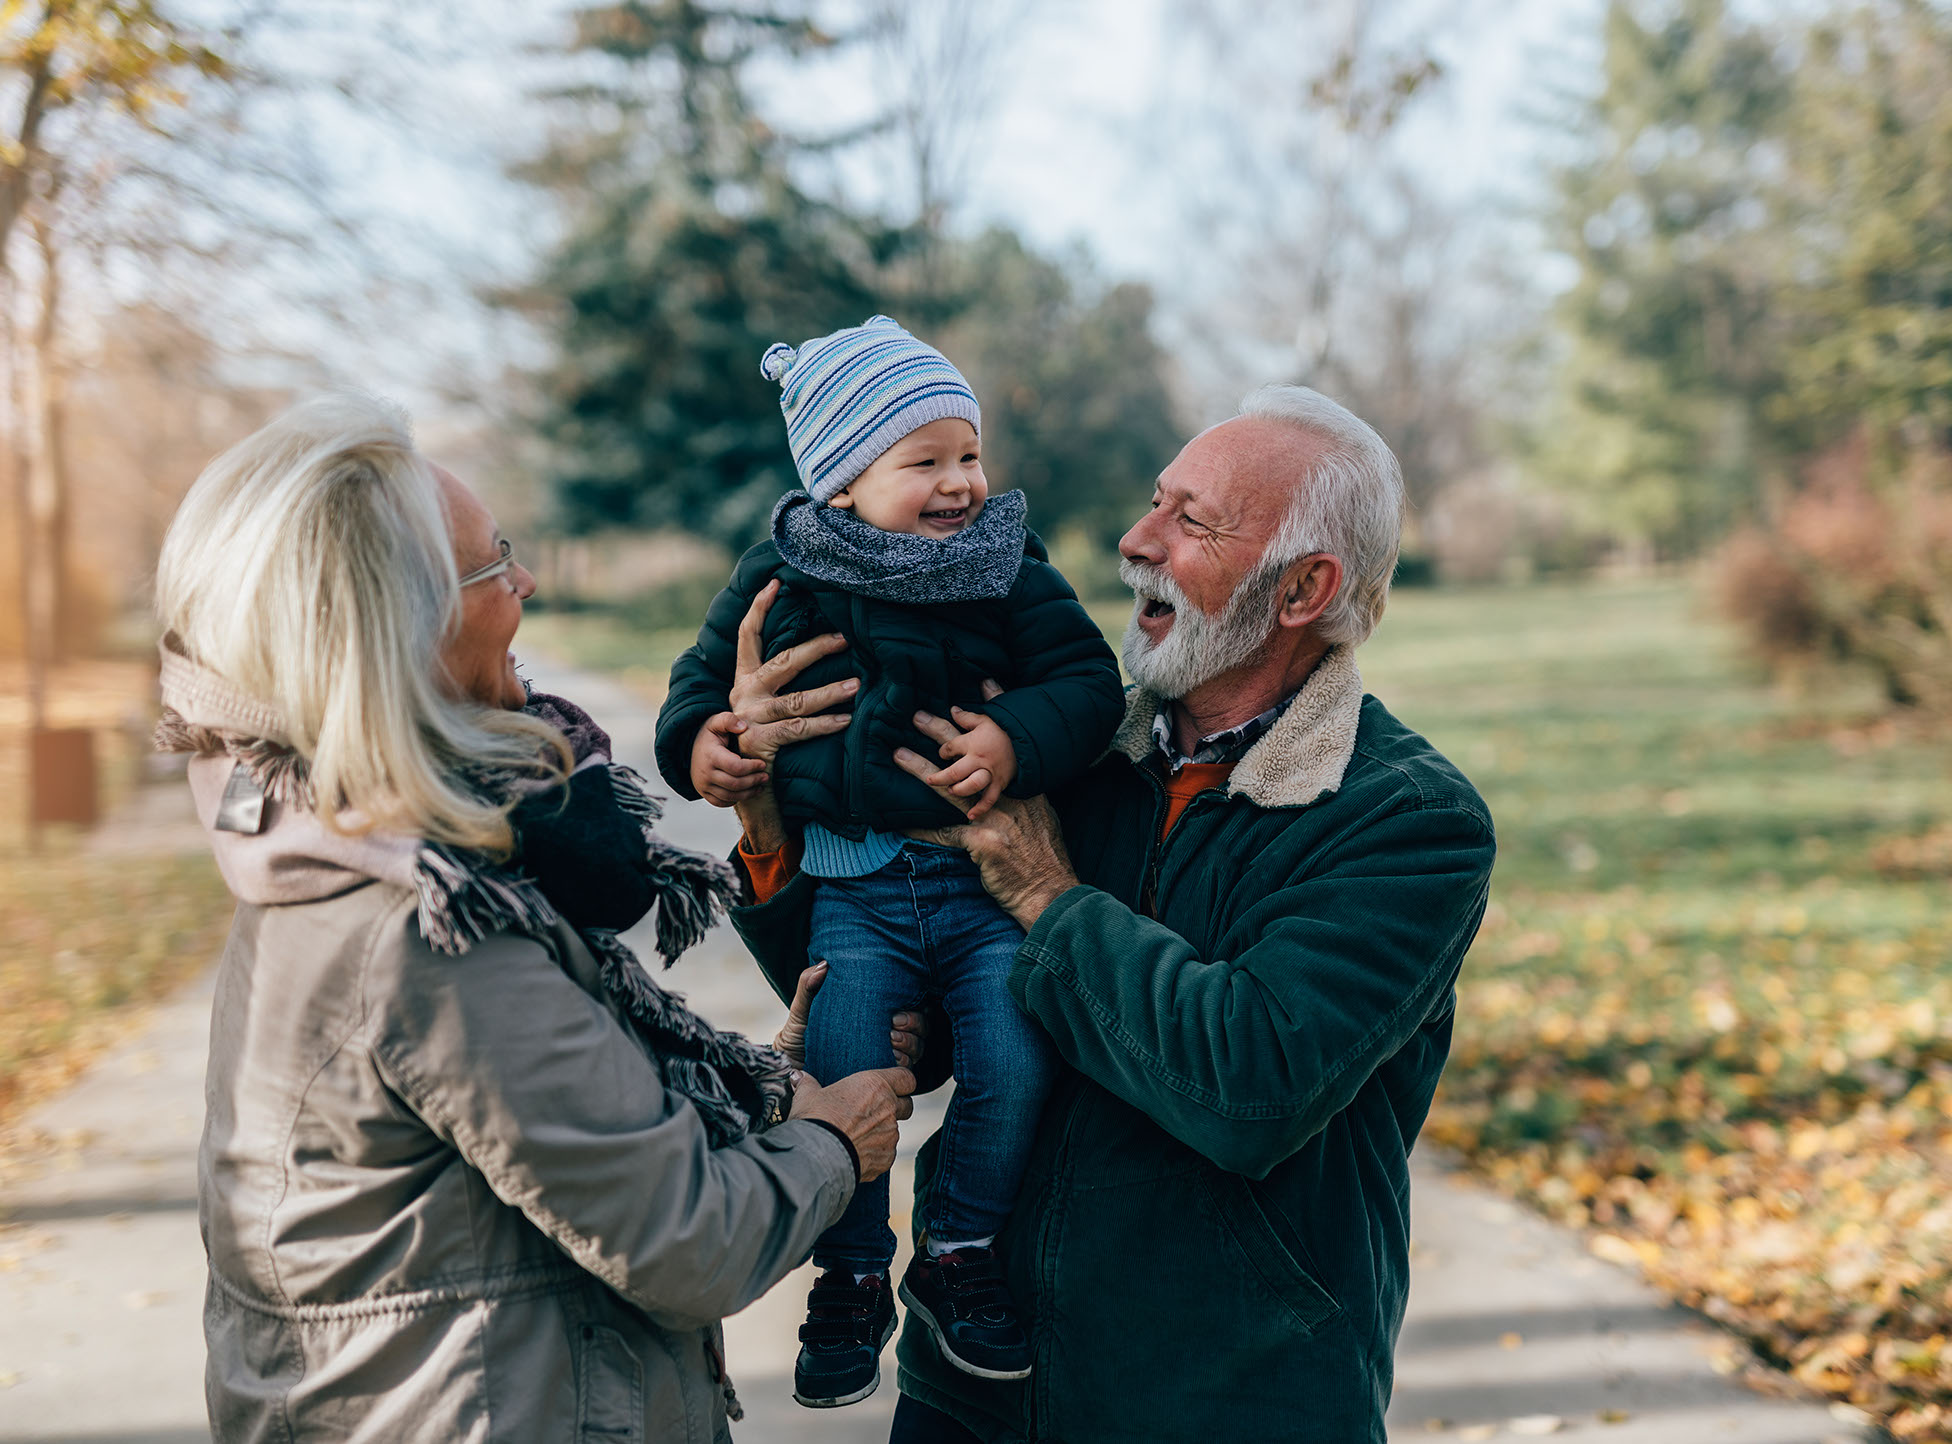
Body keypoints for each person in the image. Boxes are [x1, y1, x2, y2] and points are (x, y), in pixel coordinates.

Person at [705, 384, 1497, 1443]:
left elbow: (1248, 1086)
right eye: (1155, 502)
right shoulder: (1064, 753)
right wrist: (768, 809)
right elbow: (912, 1013)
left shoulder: (1403, 817)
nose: (1137, 541)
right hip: (974, 1381)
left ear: (1305, 587)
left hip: (1226, 1398)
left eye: (1192, 522)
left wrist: (1046, 895)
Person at [155, 392, 919, 1443]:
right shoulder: (424, 927)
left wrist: (760, 1083)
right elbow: (685, 1238)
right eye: (490, 568)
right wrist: (835, 1144)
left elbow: (559, 1127)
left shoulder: (326, 838)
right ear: (397, 629)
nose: (524, 581)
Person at [654, 316, 1125, 1410]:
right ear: (843, 480)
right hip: (853, 893)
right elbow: (697, 684)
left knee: (1014, 1059)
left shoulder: (1006, 565)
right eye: (925, 462)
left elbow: (1085, 683)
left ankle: (956, 1249)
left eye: (970, 455)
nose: (961, 483)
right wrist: (706, 744)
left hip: (979, 888)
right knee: (849, 1076)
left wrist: (1015, 742)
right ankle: (853, 1269)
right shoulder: (784, 571)